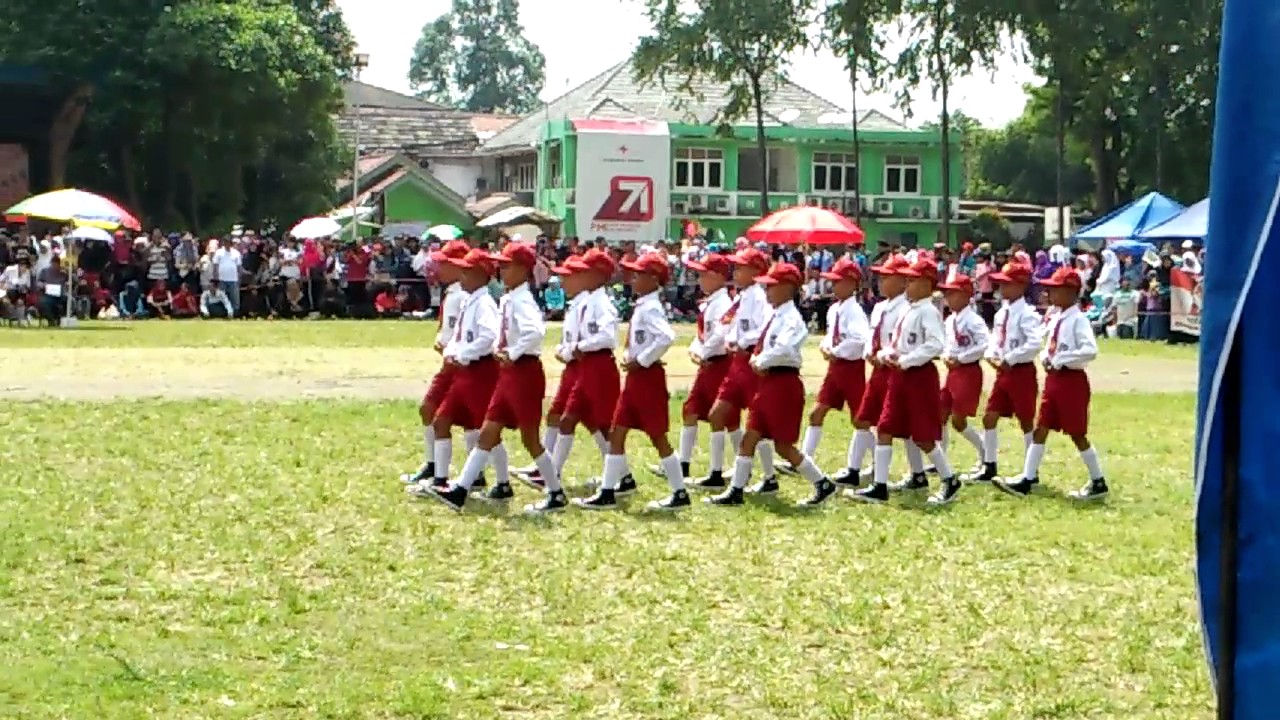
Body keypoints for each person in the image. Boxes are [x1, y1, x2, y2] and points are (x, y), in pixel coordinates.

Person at [424, 242, 566, 514]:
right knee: (488, 430)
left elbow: (535, 332)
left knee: (530, 439)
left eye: (507, 266)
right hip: (510, 373)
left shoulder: (522, 301)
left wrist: (513, 352)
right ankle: (460, 490)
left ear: (523, 270)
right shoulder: (509, 298)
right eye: (500, 265)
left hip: (524, 371)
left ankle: (555, 492)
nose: (501, 271)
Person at [706, 262, 837, 507]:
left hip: (783, 383)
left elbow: (785, 348)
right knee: (750, 436)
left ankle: (822, 483)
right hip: (768, 382)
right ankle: (736, 491)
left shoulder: (792, 318)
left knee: (783, 446)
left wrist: (760, 359)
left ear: (788, 288)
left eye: (772, 286)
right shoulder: (776, 314)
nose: (767, 291)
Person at [576, 252, 689, 511]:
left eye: (639, 275)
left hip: (647, 379)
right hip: (635, 380)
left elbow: (666, 337)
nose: (633, 279)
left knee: (657, 436)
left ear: (654, 279)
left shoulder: (651, 308)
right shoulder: (642, 305)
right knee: (617, 433)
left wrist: (643, 359)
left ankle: (679, 491)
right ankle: (607, 491)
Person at [852, 257, 962, 506]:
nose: (908, 285)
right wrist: (887, 354)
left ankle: (949, 478)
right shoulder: (909, 309)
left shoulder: (928, 311)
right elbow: (897, 342)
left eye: (913, 281)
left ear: (927, 284)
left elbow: (935, 344)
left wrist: (907, 360)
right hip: (899, 376)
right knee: (885, 427)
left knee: (922, 435)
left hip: (919, 377)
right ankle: (879, 486)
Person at [996, 266, 1108, 501]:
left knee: (1077, 433)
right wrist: (1047, 357)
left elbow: (1089, 350)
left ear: (1071, 292)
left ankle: (1098, 480)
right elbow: (1049, 345)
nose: (1049, 293)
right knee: (1041, 428)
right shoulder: (1057, 317)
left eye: (1055, 289)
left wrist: (1061, 359)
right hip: (1054, 380)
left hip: (1071, 381)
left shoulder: (1078, 320)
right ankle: (1027, 478)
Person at [409, 248, 503, 496]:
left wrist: (462, 352)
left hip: (473, 366)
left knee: (481, 425)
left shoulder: (476, 299)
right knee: (445, 419)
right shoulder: (463, 296)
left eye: (465, 270)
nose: (460, 273)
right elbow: (457, 332)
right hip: (458, 363)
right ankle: (441, 476)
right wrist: (450, 347)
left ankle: (495, 480)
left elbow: (488, 336)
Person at [695, 247, 779, 492]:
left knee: (756, 422)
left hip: (750, 361)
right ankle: (716, 472)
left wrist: (742, 340)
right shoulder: (741, 298)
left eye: (742, 268)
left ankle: (769, 476)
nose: (736, 272)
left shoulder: (760, 298)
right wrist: (732, 339)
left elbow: (763, 329)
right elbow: (732, 326)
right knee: (717, 414)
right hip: (736, 363)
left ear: (756, 272)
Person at [510, 255, 596, 490]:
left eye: (568, 277)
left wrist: (569, 351)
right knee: (557, 415)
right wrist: (563, 349)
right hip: (572, 367)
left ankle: (552, 472)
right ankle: (545, 467)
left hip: (582, 367)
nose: (563, 282)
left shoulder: (588, 304)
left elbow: (588, 339)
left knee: (589, 421)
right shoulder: (577, 304)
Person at [400, 241, 481, 487]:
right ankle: (440, 466)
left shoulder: (463, 296)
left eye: (444, 263)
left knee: (439, 411)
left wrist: (449, 346)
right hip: (451, 360)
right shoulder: (453, 294)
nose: (439, 268)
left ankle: (443, 469)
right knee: (450, 415)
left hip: (458, 363)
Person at [786, 257, 871, 480]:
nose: (834, 286)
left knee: (860, 419)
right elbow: (830, 335)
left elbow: (859, 340)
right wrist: (826, 347)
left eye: (838, 281)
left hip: (851, 368)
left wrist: (838, 351)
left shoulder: (855, 311)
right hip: (835, 369)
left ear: (852, 284)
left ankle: (870, 463)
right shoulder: (834, 309)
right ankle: (805, 460)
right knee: (817, 413)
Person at [966, 261, 1043, 484]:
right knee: (990, 416)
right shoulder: (1002, 313)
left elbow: (1034, 343)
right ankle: (989, 465)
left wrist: (1011, 358)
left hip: (1021, 371)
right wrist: (992, 355)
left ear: (1021, 286)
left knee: (1026, 419)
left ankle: (1031, 471)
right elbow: (996, 340)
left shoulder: (1027, 314)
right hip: (1003, 372)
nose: (1002, 288)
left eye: (1008, 284)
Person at [840, 254, 911, 491]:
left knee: (897, 427)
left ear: (902, 281)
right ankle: (853, 470)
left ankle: (914, 473)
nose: (881, 282)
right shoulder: (880, 307)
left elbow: (901, 342)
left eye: (887, 277)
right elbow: (872, 336)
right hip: (877, 370)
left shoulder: (906, 308)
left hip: (893, 369)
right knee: (863, 418)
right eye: (880, 277)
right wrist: (870, 352)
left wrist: (884, 355)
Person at [668, 253, 734, 483]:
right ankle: (683, 464)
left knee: (719, 417)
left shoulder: (723, 304)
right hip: (708, 363)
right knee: (691, 410)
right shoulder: (711, 302)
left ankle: (716, 471)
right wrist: (695, 350)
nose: (700, 279)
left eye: (704, 274)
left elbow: (720, 335)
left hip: (719, 364)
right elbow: (704, 334)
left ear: (717, 277)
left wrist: (703, 352)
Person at [936, 270, 990, 468]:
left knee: (959, 420)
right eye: (947, 294)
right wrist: (946, 356)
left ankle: (984, 450)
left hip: (968, 372)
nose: (949, 298)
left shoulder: (974, 320)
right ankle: (940, 458)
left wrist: (962, 358)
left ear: (966, 296)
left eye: (953, 294)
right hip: (953, 372)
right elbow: (946, 344)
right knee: (940, 413)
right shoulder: (950, 320)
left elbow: (984, 344)